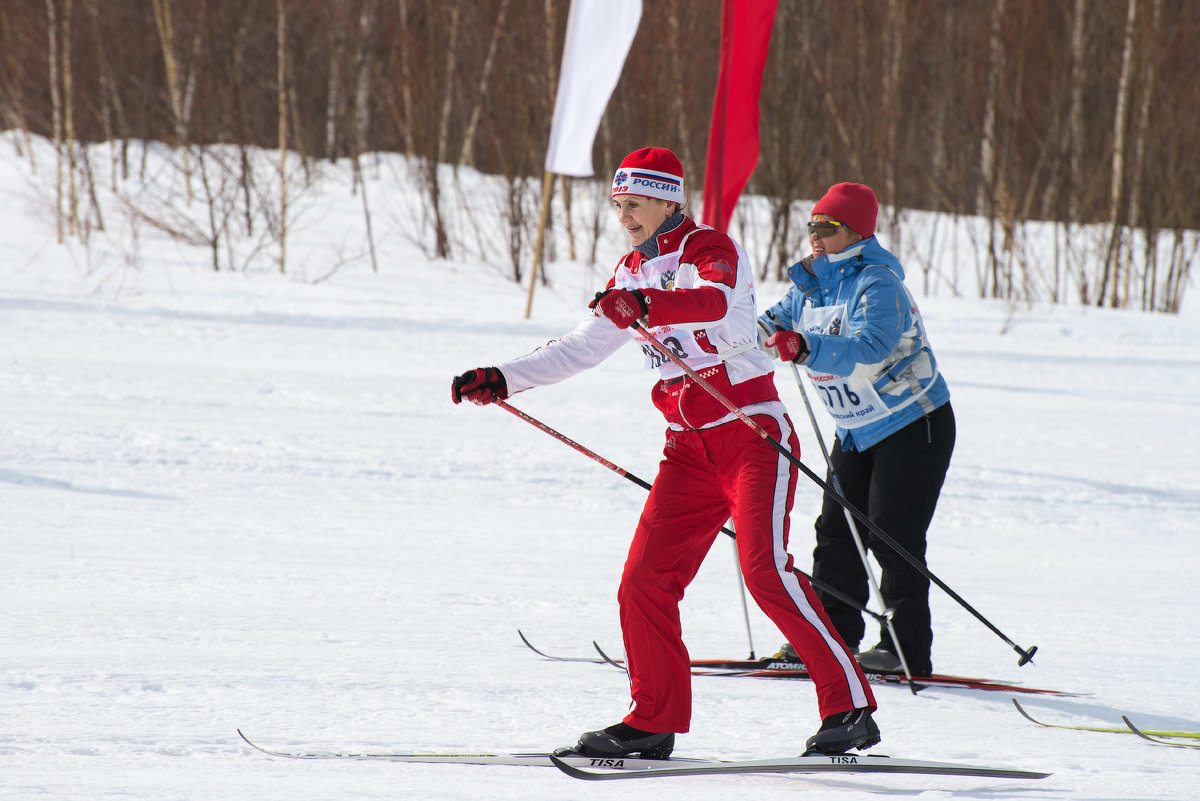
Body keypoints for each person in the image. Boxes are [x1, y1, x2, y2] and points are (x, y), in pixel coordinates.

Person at [452, 149, 878, 759]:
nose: (624, 216)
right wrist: (502, 376)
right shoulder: (628, 271)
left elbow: (711, 302)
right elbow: (579, 348)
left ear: (669, 200)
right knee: (643, 582)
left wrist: (648, 307)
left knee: (765, 570)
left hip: (750, 434)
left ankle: (849, 707)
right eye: (618, 205)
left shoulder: (712, 249)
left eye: (635, 204)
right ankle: (653, 720)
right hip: (685, 452)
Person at [758, 182, 955, 678]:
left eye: (828, 228)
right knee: (837, 534)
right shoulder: (809, 286)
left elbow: (874, 346)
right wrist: (703, 339)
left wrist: (805, 347)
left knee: (892, 534)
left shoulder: (878, 282)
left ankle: (905, 648)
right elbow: (765, 327)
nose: (816, 237)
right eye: (812, 227)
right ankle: (831, 638)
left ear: (857, 233)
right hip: (857, 427)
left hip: (914, 421)